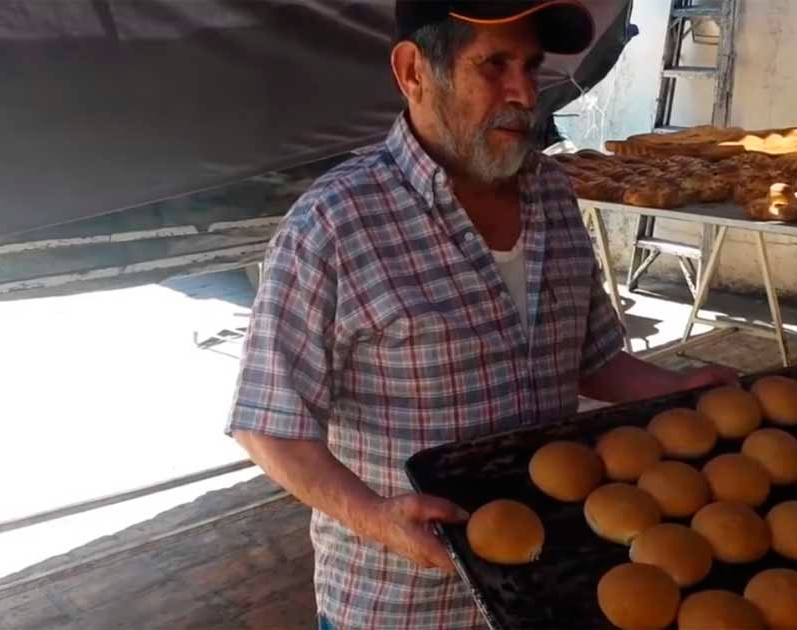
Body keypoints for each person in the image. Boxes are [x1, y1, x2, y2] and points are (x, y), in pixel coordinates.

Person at [226, 2, 736, 628]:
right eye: (494, 65)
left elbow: (592, 357)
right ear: (414, 71)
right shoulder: (334, 223)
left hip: (552, 585)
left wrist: (678, 389)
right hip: (403, 604)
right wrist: (374, 517)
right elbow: (267, 423)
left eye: (531, 66)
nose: (525, 92)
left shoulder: (549, 193)